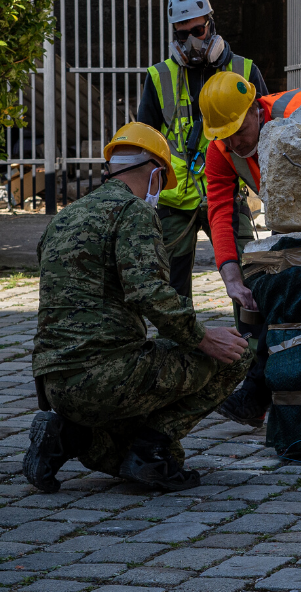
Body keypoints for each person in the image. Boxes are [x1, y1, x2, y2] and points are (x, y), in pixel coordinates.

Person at [24, 123, 250, 494]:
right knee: (237, 355)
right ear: (157, 173)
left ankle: (66, 435)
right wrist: (204, 338)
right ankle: (151, 450)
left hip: (55, 385)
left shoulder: (64, 217)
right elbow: (151, 293)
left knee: (121, 458)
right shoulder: (133, 212)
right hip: (105, 378)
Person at [197, 72, 301, 427]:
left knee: (288, 290)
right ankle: (260, 388)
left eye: (238, 131)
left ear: (255, 110)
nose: (233, 143)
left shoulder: (298, 113)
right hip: (291, 221)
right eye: (223, 135)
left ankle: (257, 391)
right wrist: (231, 275)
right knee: (261, 290)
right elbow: (219, 209)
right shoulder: (220, 148)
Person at [137, 0, 268, 302]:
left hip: (225, 188)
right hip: (174, 200)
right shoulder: (158, 76)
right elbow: (146, 141)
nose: (191, 41)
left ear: (212, 23)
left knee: (252, 276)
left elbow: (267, 128)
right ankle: (181, 348)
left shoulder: (244, 70)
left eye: (198, 30)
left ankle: (249, 345)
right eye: (182, 36)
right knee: (172, 290)